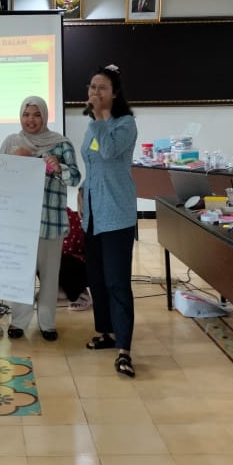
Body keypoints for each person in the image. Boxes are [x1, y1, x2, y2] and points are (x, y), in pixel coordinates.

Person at [0, 96, 81, 342]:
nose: (30, 120)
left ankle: (47, 323)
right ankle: (18, 322)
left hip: (50, 221)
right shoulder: (11, 142)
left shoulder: (60, 144)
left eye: (36, 115)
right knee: (21, 276)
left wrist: (58, 167)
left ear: (44, 116)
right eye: (26, 115)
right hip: (19, 222)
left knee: (49, 276)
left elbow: (75, 178)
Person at [80, 64, 138, 378]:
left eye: (102, 88)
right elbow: (92, 163)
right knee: (98, 279)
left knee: (117, 282)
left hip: (116, 214)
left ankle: (124, 349)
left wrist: (101, 117)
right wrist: (82, 189)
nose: (95, 92)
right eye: (92, 87)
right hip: (92, 213)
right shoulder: (93, 125)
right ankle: (107, 332)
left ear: (114, 93)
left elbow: (108, 151)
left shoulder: (125, 124)